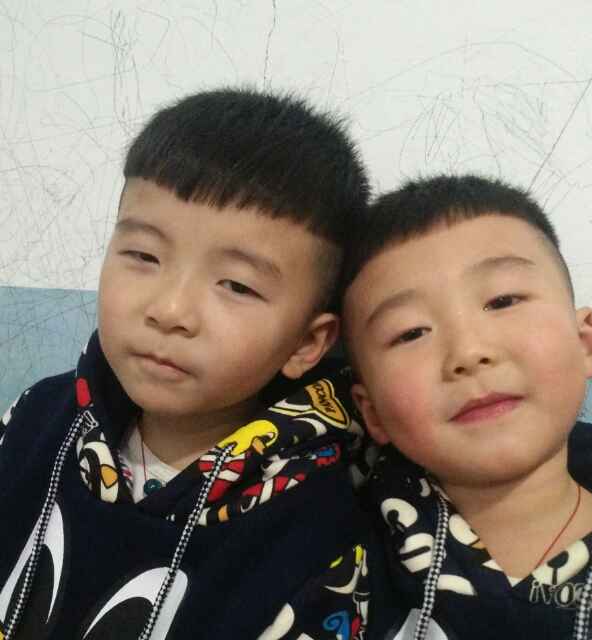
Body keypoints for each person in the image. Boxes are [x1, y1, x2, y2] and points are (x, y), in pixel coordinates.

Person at [0, 88, 398, 639]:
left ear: (307, 343)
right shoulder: (38, 416)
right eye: (143, 255)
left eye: (236, 285)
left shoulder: (316, 539)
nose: (170, 311)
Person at [341, 174, 592, 639]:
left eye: (502, 301)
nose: (468, 352)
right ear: (372, 411)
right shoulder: (328, 550)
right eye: (411, 332)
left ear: (584, 343)